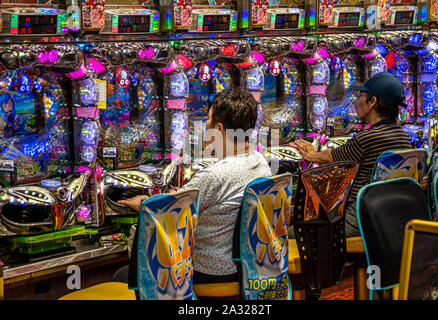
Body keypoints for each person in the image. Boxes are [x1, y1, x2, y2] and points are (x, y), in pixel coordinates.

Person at [117, 88, 272, 284]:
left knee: (121, 274)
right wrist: (181, 194)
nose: (205, 125)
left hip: (211, 271)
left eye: (208, 120)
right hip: (247, 265)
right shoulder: (259, 161)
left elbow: (164, 211)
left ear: (220, 129)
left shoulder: (216, 175)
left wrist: (144, 202)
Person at [292, 72, 413, 237]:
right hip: (389, 217)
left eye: (361, 96)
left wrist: (311, 155)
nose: (357, 101)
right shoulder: (403, 136)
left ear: (372, 102)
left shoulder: (367, 138)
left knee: (292, 231)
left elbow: (332, 157)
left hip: (359, 220)